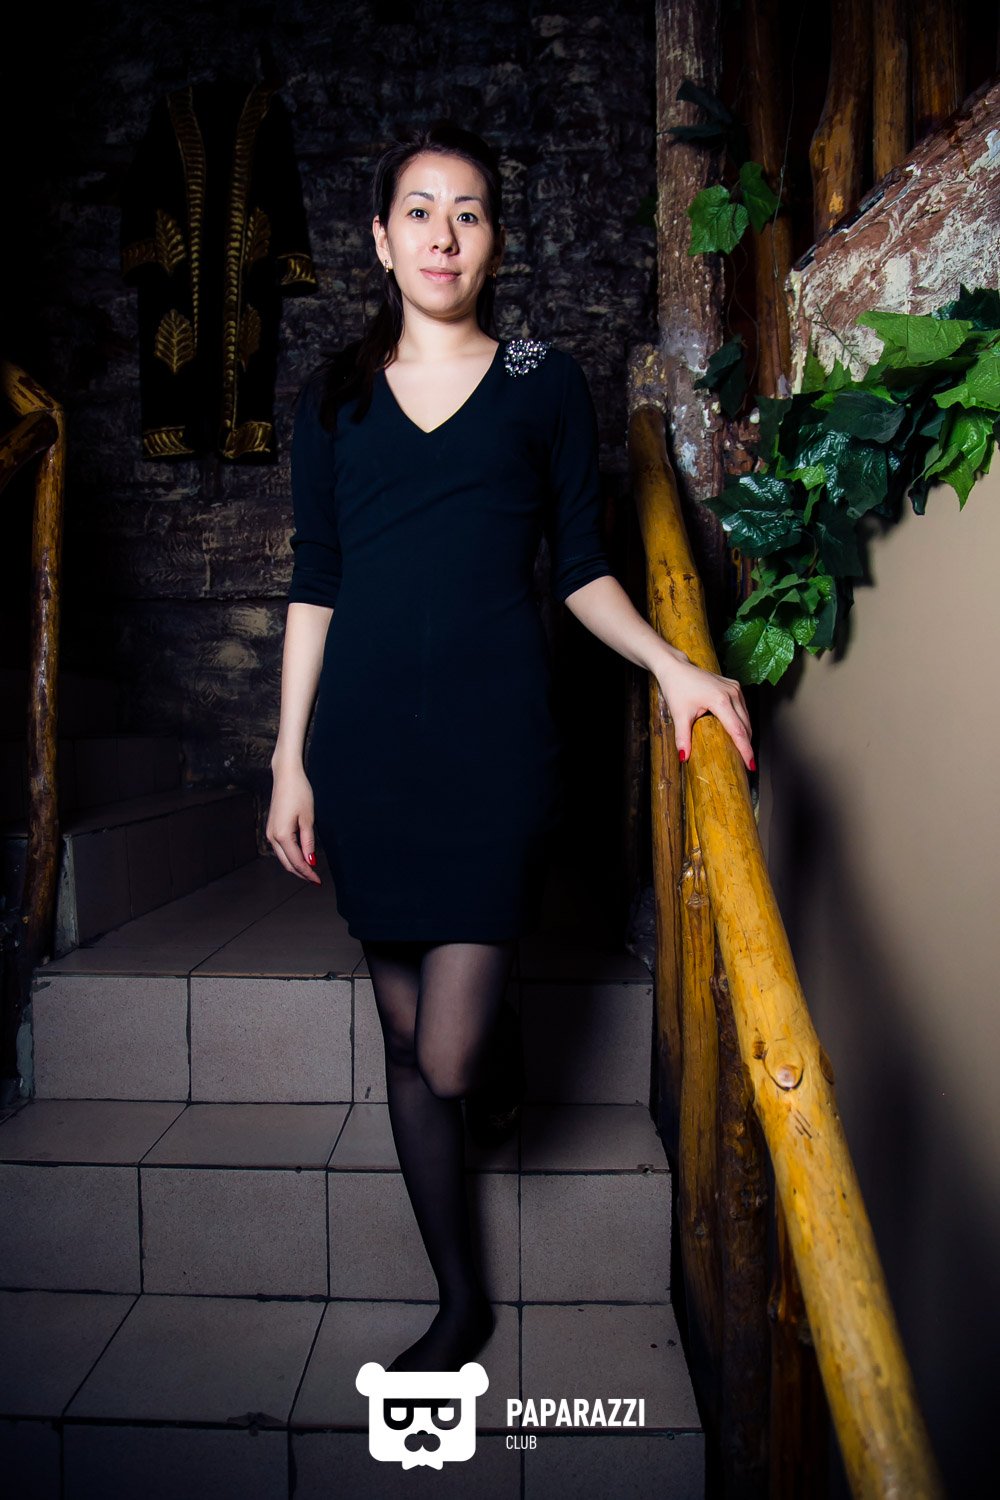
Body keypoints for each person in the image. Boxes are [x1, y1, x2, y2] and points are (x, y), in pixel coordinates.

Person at [266, 120, 754, 1373]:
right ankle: (459, 1303)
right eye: (418, 212)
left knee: (447, 1050)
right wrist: (288, 759)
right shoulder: (332, 395)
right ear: (381, 241)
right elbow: (316, 581)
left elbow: (582, 565)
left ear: (494, 242)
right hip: (365, 748)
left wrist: (673, 664)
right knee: (403, 1043)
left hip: (495, 747)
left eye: (469, 212)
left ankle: (496, 1058)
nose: (443, 234)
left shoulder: (542, 378)